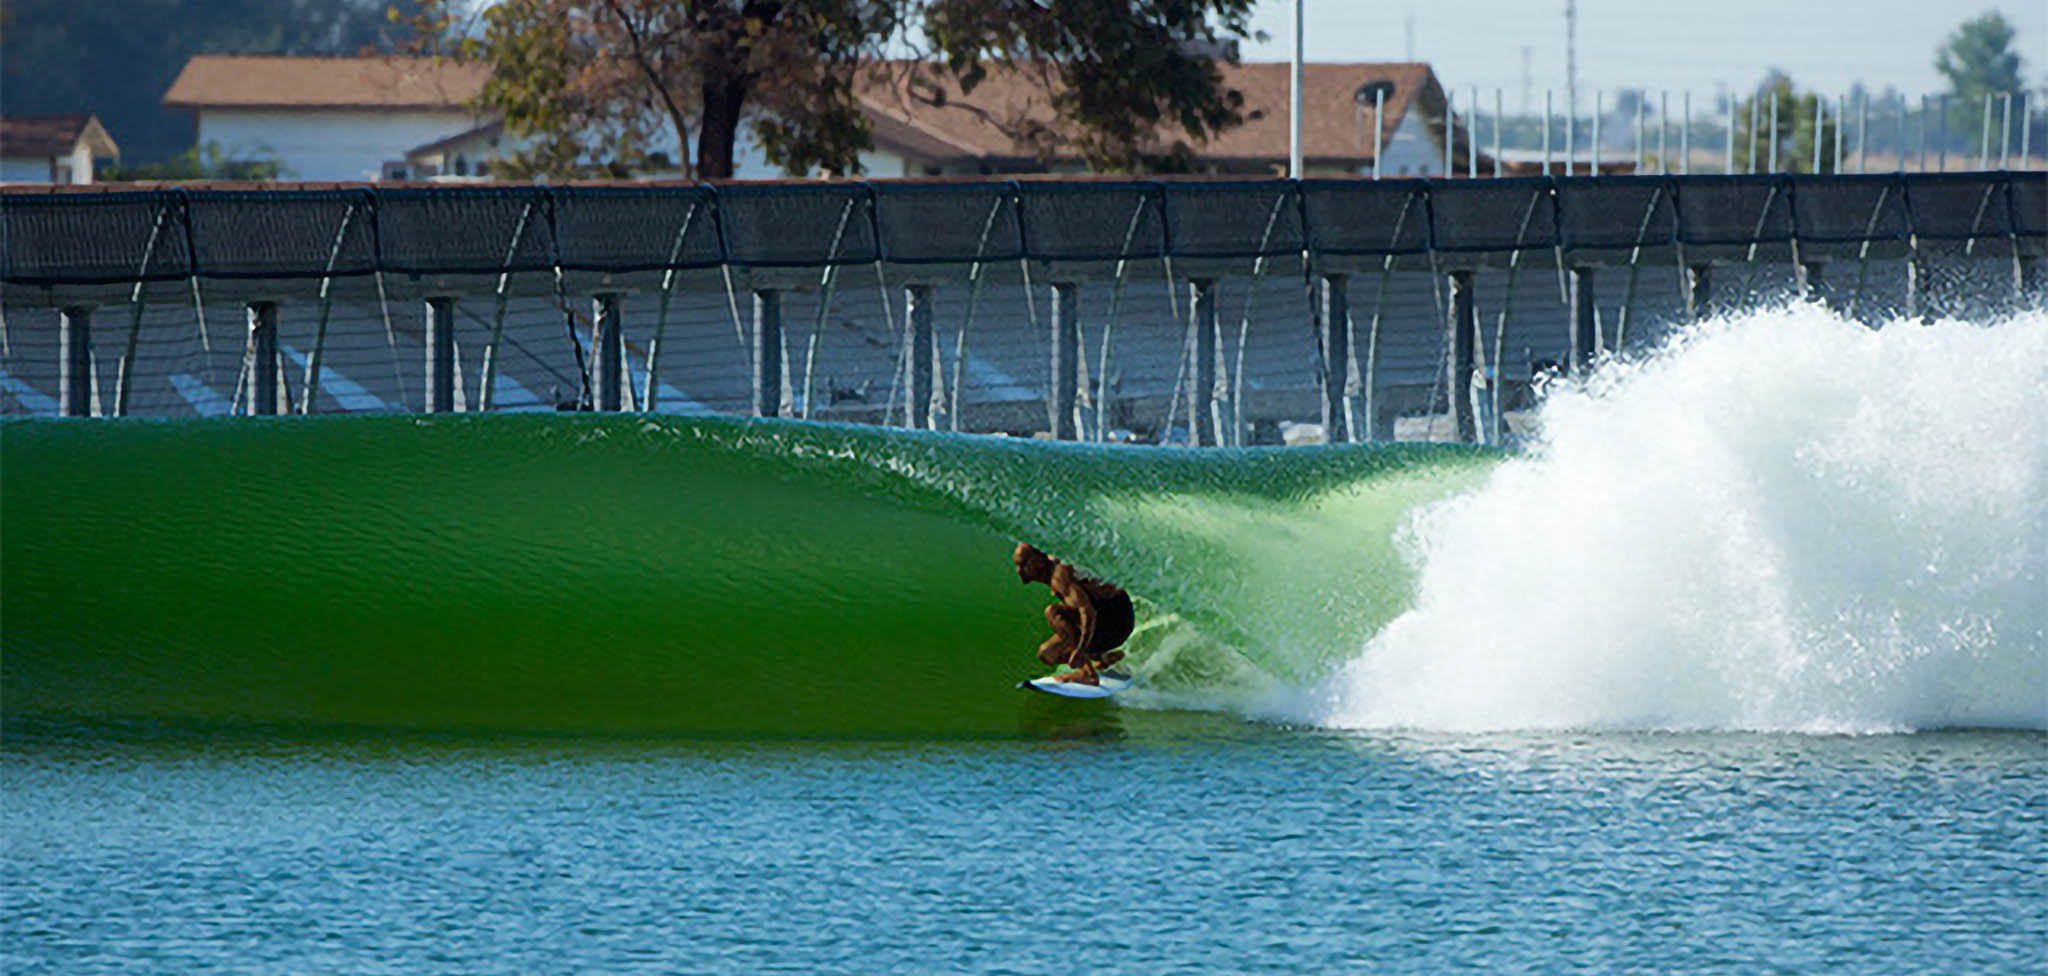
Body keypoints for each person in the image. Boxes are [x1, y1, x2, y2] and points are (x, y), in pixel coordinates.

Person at [1013, 542, 1134, 685]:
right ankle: (1103, 657)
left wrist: (1081, 649)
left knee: (1053, 612)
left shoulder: (1059, 576)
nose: (1018, 570)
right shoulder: (1052, 567)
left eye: (1023, 565)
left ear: (1039, 563)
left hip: (1116, 619)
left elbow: (1087, 612)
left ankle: (1088, 674)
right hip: (1114, 617)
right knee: (1047, 654)